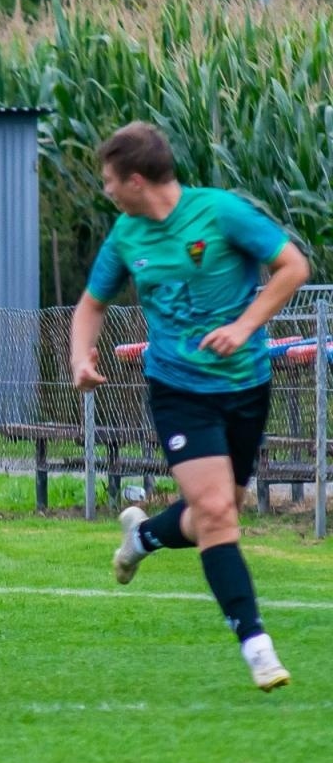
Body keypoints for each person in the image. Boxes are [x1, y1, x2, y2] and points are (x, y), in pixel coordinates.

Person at [70, 121, 308, 692]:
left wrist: (244, 326)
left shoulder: (221, 213)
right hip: (178, 390)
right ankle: (257, 647)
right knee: (218, 513)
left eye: (108, 181)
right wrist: (80, 356)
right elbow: (91, 305)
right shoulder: (126, 236)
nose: (106, 191)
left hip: (246, 386)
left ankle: (142, 539)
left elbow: (293, 267)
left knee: (215, 516)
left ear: (135, 179)